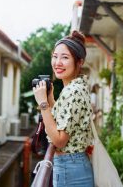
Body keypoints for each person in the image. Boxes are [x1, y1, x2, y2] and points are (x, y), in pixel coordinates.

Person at [33, 30, 94, 187]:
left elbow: (59, 140)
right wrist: (52, 101)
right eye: (55, 56)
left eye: (65, 57)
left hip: (70, 167)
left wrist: (43, 104)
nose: (57, 62)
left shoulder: (73, 91)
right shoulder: (75, 87)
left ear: (79, 62)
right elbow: (64, 122)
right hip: (74, 165)